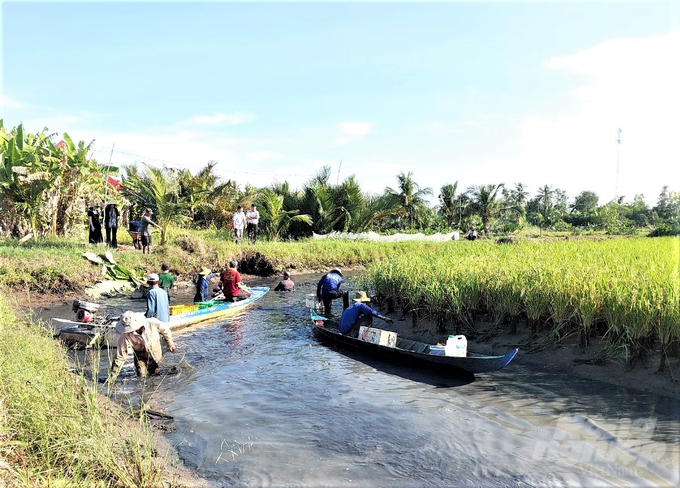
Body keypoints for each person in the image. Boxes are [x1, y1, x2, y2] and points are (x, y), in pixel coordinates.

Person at [108, 311, 176, 381]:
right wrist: (113, 376)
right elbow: (120, 355)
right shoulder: (125, 335)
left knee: (156, 377)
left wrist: (169, 342)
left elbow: (165, 330)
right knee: (142, 378)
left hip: (156, 354)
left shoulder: (152, 323)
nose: (129, 331)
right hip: (140, 357)